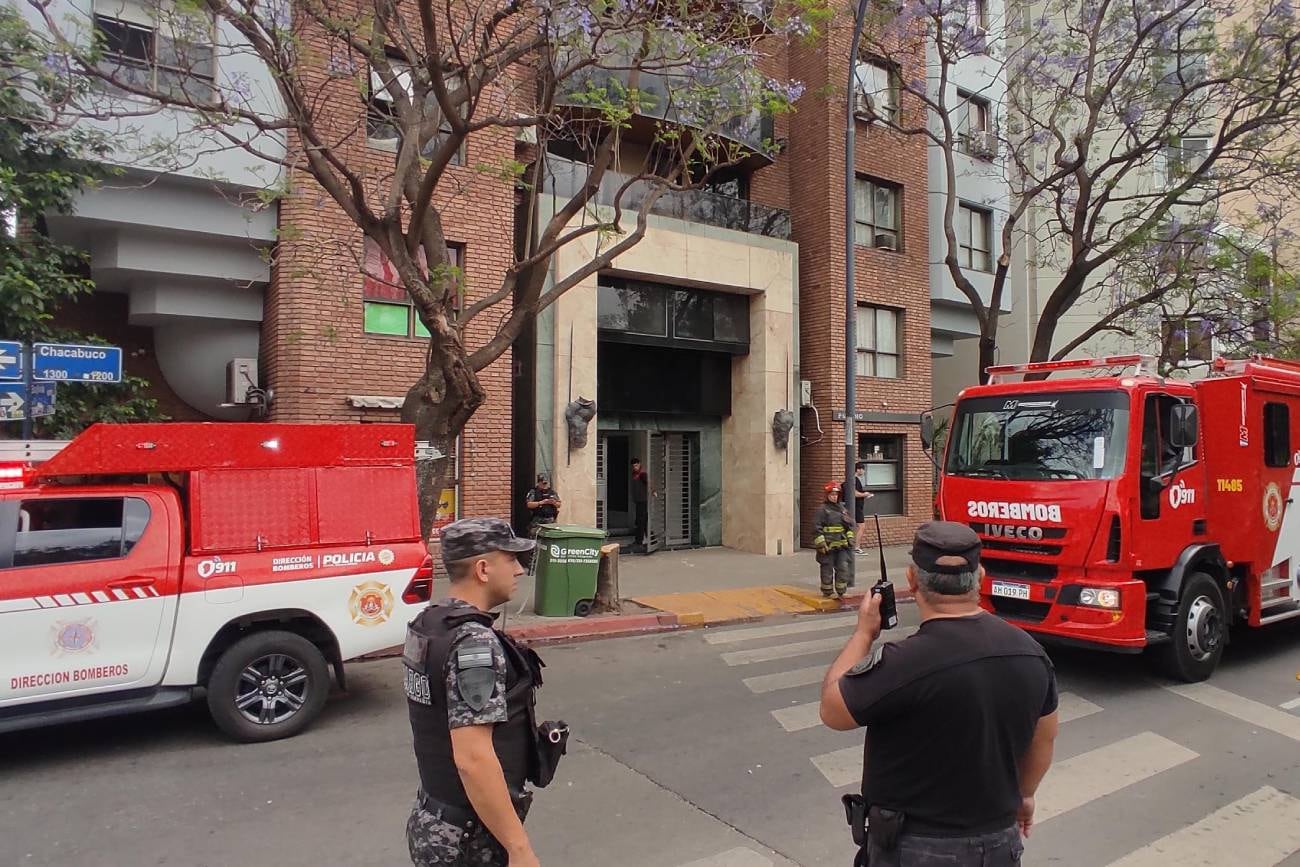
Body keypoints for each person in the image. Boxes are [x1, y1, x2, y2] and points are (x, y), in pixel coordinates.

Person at [818, 522, 1059, 867]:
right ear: (981, 577)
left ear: (913, 580)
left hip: (917, 849)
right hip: (999, 843)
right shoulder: (1031, 653)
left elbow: (832, 710)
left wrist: (863, 634)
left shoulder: (905, 663)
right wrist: (1025, 795)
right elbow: (1044, 737)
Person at [403, 517, 552, 867]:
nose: (519, 570)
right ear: (483, 569)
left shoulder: (430, 623)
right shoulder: (474, 643)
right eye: (511, 559)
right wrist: (519, 847)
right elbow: (473, 758)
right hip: (468, 842)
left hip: (433, 818)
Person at [813, 480, 855, 598]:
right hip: (827, 547)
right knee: (827, 569)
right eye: (832, 495)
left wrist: (850, 538)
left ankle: (841, 592)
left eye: (836, 495)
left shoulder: (843, 509)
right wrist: (821, 544)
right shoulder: (822, 510)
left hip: (842, 546)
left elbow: (849, 527)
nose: (834, 497)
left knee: (843, 568)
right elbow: (816, 529)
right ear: (827, 496)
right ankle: (828, 592)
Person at [852, 463, 875, 554]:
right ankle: (856, 548)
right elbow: (855, 493)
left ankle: (854, 546)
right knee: (861, 526)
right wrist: (865, 494)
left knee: (857, 527)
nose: (864, 471)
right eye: (863, 469)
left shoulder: (854, 480)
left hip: (856, 506)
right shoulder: (855, 480)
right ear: (858, 470)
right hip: (857, 507)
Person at [631, 458, 651, 553]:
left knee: (641, 521)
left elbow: (649, 483)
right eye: (633, 466)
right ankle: (651, 539)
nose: (635, 468)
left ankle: (639, 541)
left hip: (643, 501)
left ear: (639, 464)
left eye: (636, 466)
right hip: (638, 501)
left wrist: (653, 491)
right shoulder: (634, 474)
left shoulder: (642, 474)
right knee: (642, 521)